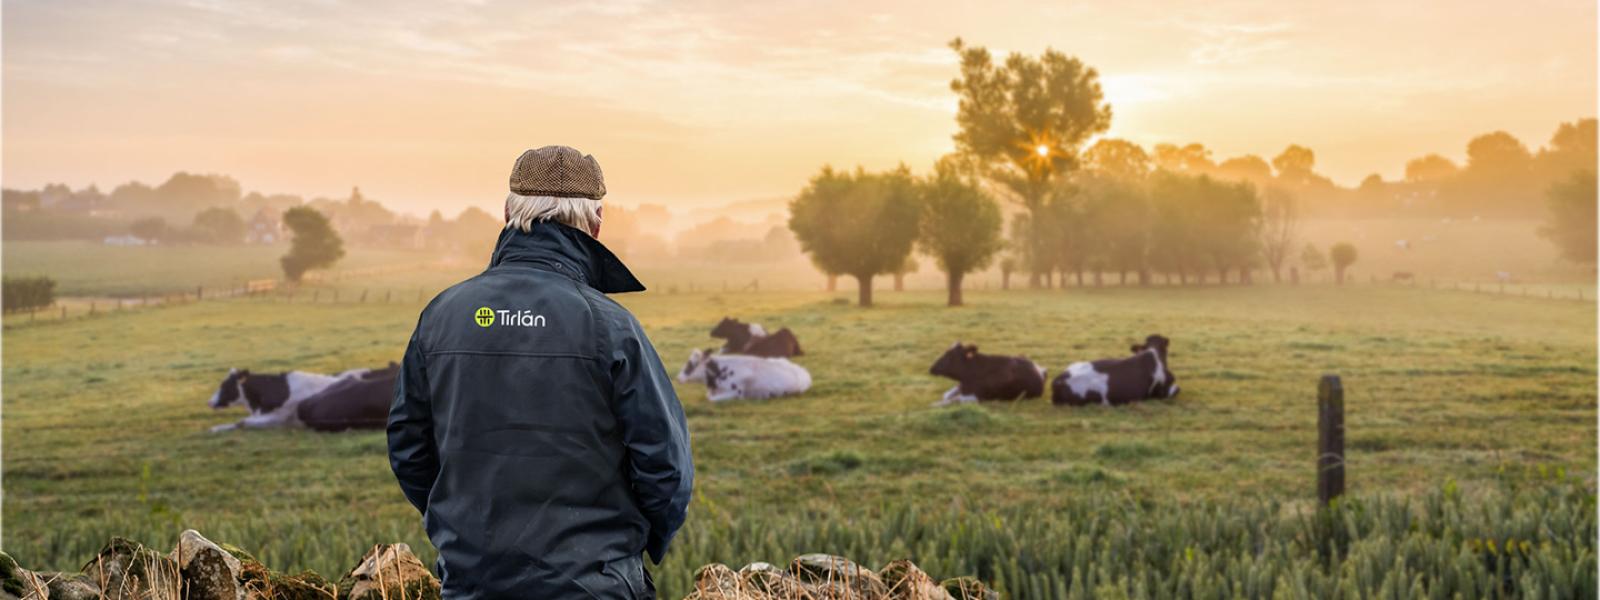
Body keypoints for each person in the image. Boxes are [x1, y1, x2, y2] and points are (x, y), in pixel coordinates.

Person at [388, 146, 693, 599]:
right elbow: (666, 468)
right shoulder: (611, 326)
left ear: (509, 211)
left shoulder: (442, 314)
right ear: (596, 222)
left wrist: (461, 531)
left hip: (472, 584)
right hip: (594, 585)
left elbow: (409, 446)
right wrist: (625, 550)